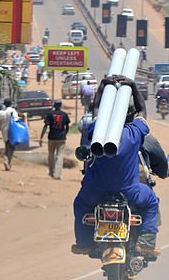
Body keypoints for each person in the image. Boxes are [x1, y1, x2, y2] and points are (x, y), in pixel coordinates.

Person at [72, 77, 160, 257]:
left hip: (94, 190)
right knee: (151, 201)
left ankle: (84, 243)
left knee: (80, 204)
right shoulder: (135, 131)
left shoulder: (97, 128)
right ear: (130, 115)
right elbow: (143, 110)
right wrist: (132, 86)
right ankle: (146, 243)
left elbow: (95, 108)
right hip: (128, 191)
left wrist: (103, 85)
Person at [39, 100, 71, 179]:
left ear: (54, 106)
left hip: (51, 138)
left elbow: (45, 126)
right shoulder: (64, 115)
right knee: (59, 156)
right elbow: (67, 127)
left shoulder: (50, 114)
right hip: (61, 138)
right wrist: (65, 134)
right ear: (60, 106)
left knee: (51, 155)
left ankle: (51, 172)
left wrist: (41, 137)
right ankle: (58, 174)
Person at [0, 98, 19, 170]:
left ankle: (7, 160)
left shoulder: (0, 112)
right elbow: (16, 119)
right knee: (12, 147)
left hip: (4, 131)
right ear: (10, 104)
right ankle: (7, 160)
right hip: (12, 131)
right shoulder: (12, 111)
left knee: (7, 146)